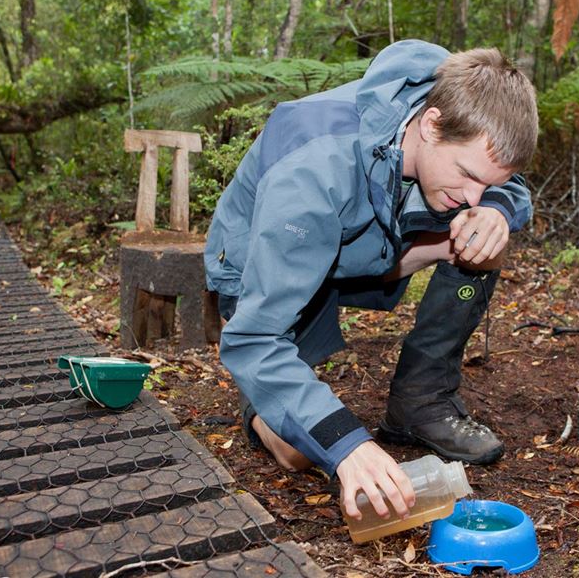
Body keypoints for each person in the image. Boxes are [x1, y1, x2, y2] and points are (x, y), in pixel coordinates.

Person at [204, 39, 537, 524]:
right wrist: (347, 446)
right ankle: (260, 408)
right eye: (467, 177)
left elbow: (504, 185)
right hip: (267, 264)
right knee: (301, 451)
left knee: (482, 243)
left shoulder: (460, 105)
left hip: (359, 250)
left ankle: (420, 403)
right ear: (430, 125)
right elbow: (254, 338)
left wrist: (496, 210)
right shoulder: (312, 173)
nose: (471, 196)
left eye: (484, 184)